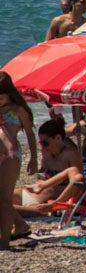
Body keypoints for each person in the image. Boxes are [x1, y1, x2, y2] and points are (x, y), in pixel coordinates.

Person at [12, 119, 84, 212]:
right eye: (40, 143)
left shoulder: (70, 155)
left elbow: (79, 185)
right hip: (28, 194)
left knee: (4, 209)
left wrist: (67, 204)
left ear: (58, 138)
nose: (43, 146)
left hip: (43, 203)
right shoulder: (46, 152)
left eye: (45, 143)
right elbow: (42, 177)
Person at [0, 72, 36, 248]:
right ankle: (20, 225)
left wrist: (34, 158)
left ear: (9, 93)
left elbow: (30, 134)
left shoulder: (17, 110)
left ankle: (4, 241)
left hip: (10, 155)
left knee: (5, 199)